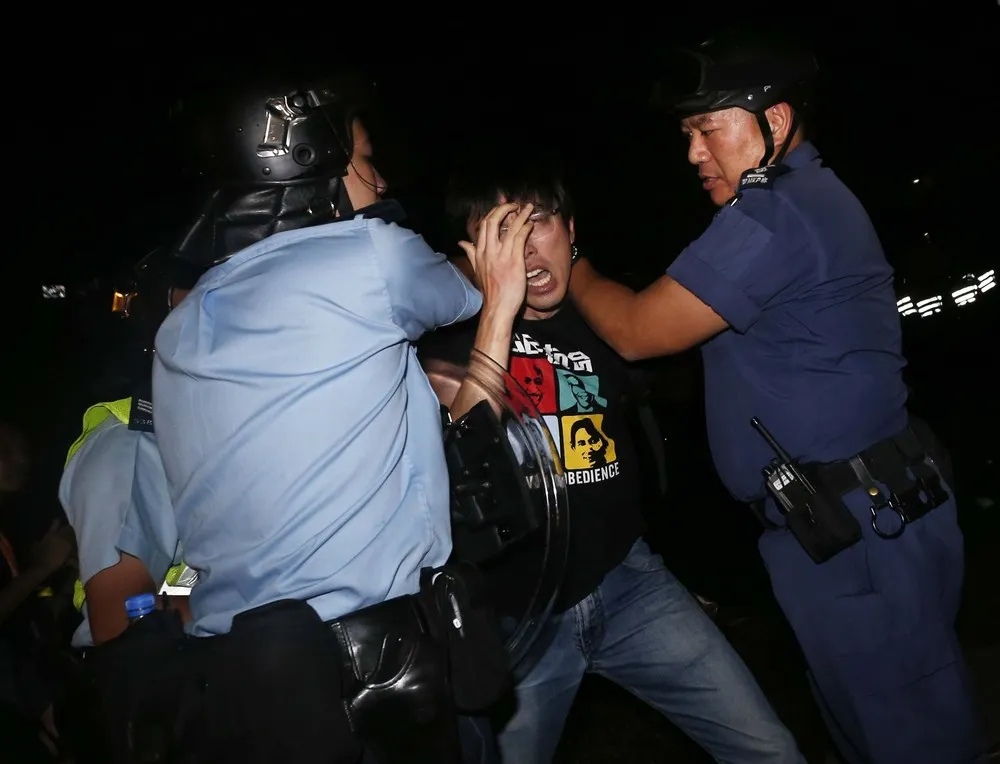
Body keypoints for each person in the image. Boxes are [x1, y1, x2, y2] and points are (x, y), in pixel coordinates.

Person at [564, 34, 986, 764]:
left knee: (912, 739)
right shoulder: (804, 202)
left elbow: (636, 330)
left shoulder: (774, 216)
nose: (694, 153)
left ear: (776, 122)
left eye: (707, 129)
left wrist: (564, 263)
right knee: (881, 728)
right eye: (687, 135)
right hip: (860, 518)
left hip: (858, 532)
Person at [150, 71, 536, 763]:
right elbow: (468, 287)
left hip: (240, 688)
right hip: (378, 680)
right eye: (364, 158)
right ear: (314, 166)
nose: (380, 180)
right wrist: (499, 273)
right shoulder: (371, 257)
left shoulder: (182, 323)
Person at [418, 159, 805, 764]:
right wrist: (496, 312)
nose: (526, 247)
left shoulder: (603, 318)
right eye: (503, 230)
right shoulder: (442, 339)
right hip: (518, 617)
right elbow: (461, 461)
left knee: (770, 751)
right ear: (473, 250)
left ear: (572, 231)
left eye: (539, 222)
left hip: (630, 587)